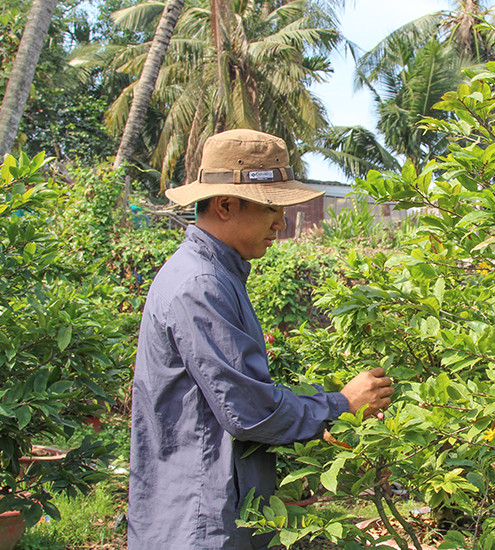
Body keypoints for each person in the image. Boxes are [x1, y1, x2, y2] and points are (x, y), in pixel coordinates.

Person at [128, 129, 394, 549]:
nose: (281, 222)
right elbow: (247, 410)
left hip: (212, 507)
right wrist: (343, 404)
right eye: (271, 207)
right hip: (201, 522)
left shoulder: (214, 274)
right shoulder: (201, 284)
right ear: (226, 204)